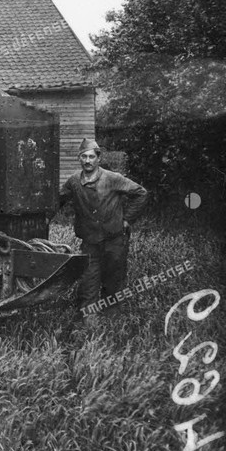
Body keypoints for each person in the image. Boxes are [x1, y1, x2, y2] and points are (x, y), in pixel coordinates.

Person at [58, 138, 148, 328]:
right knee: (88, 281)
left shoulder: (112, 178)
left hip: (115, 240)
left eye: (91, 156)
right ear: (79, 158)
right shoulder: (74, 181)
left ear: (98, 159)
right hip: (90, 242)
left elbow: (141, 193)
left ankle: (112, 321)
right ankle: (88, 322)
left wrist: (127, 219)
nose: (87, 160)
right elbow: (58, 199)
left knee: (113, 281)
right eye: (84, 156)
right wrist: (43, 218)